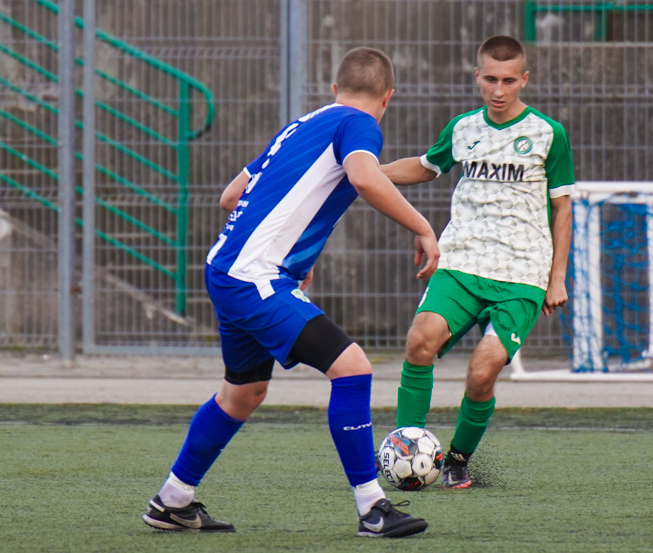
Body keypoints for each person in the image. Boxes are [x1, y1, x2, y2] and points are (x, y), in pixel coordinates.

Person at [142, 47, 439, 538]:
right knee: (353, 369)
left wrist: (296, 255)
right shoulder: (360, 125)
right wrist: (424, 226)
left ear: (332, 88)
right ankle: (372, 508)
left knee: (243, 394)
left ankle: (172, 501)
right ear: (388, 97)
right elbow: (364, 178)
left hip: (227, 268)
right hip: (255, 276)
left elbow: (231, 197)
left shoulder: (300, 126)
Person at [381, 35, 575, 489]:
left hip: (522, 273)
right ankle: (408, 446)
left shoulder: (549, 135)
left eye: (509, 80)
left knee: (483, 370)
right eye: (490, 79)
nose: (499, 90)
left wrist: (557, 277)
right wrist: (367, 171)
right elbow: (426, 166)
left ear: (524, 79)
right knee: (419, 342)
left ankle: (457, 460)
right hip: (462, 261)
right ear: (477, 77)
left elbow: (563, 208)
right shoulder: (463, 128)